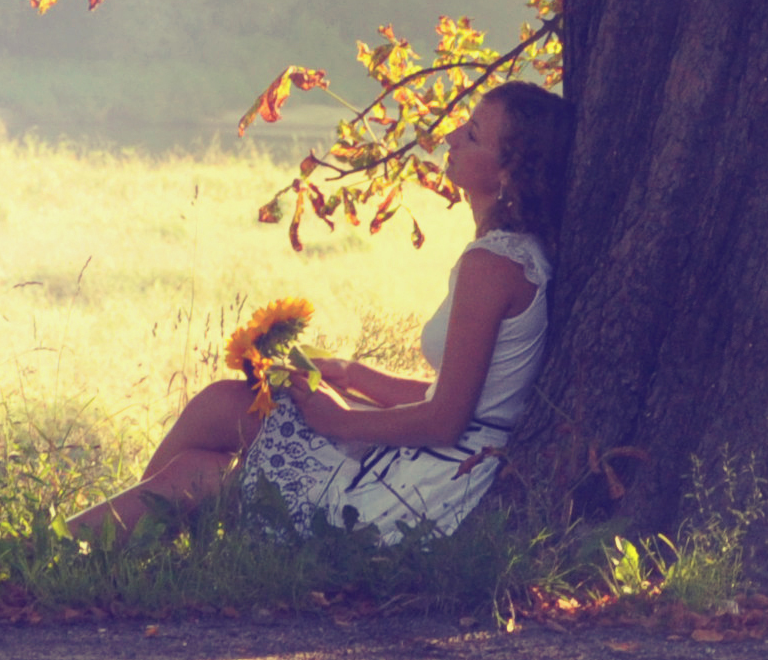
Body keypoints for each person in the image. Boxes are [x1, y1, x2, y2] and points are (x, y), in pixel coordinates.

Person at [69, 80, 570, 544]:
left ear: (508, 171)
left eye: (474, 135)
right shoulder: (507, 254)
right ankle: (119, 545)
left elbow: (445, 421)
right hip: (440, 458)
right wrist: (351, 373)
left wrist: (342, 420)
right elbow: (460, 395)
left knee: (198, 472)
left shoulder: (493, 264)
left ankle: (52, 550)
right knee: (221, 404)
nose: (453, 137)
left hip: (434, 481)